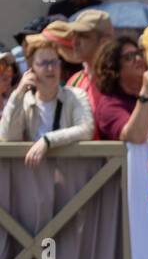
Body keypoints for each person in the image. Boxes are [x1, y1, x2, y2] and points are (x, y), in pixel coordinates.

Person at [0, 34, 94, 167]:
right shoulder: (25, 100)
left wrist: (48, 140)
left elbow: (86, 130)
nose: (51, 68)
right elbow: (8, 137)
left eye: (54, 62)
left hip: (71, 180)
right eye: (44, 63)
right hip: (35, 181)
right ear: (31, 69)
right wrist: (18, 93)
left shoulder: (76, 96)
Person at [88, 35, 148, 143]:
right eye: (129, 57)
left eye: (139, 54)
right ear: (114, 68)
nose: (138, 59)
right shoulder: (109, 106)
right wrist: (146, 93)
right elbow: (136, 136)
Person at [66, 8, 114, 91]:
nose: (75, 42)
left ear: (104, 42)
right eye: (74, 35)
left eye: (83, 36)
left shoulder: (118, 81)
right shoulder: (74, 81)